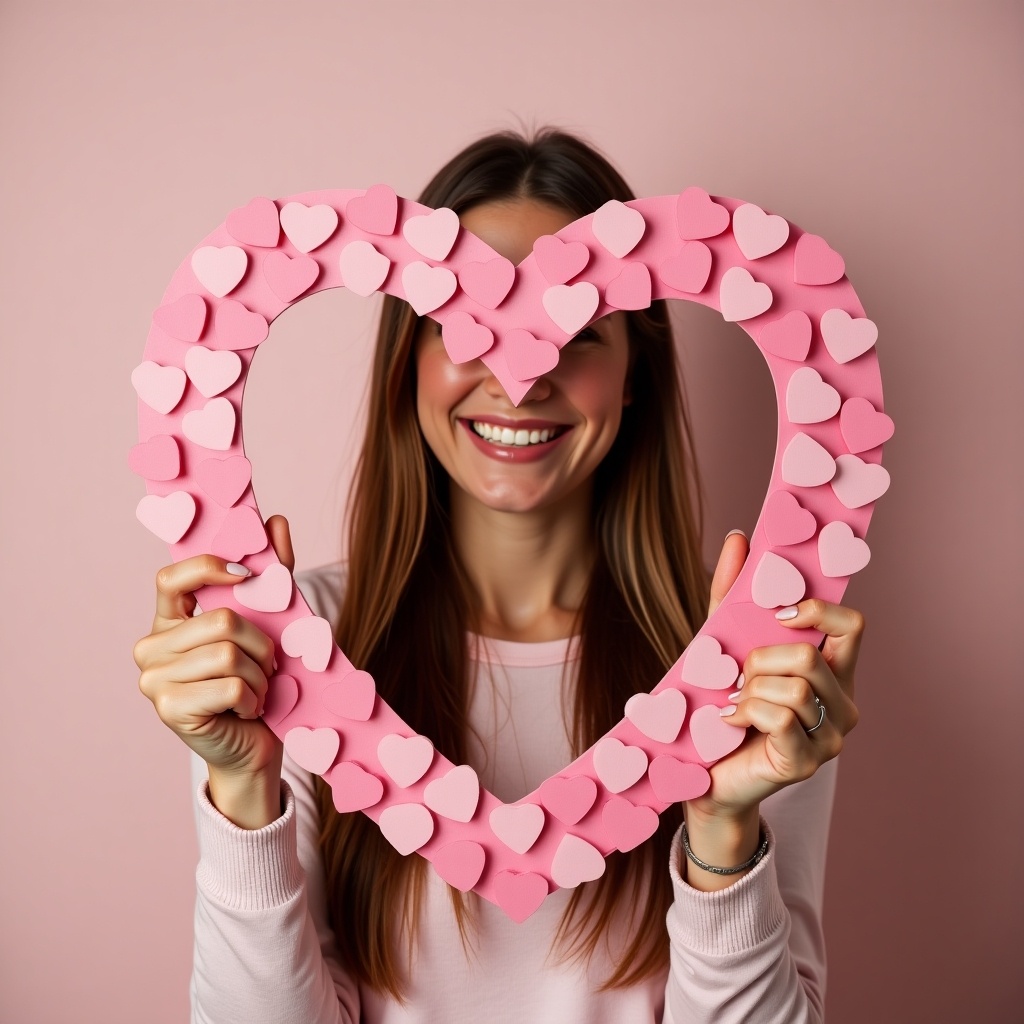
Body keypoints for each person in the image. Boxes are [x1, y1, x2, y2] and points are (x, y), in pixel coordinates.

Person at [135, 128, 863, 1023]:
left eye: (581, 333)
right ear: (408, 360)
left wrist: (722, 832)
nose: (521, 382)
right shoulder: (297, 639)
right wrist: (244, 793)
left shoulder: (747, 660)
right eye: (460, 326)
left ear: (635, 373)